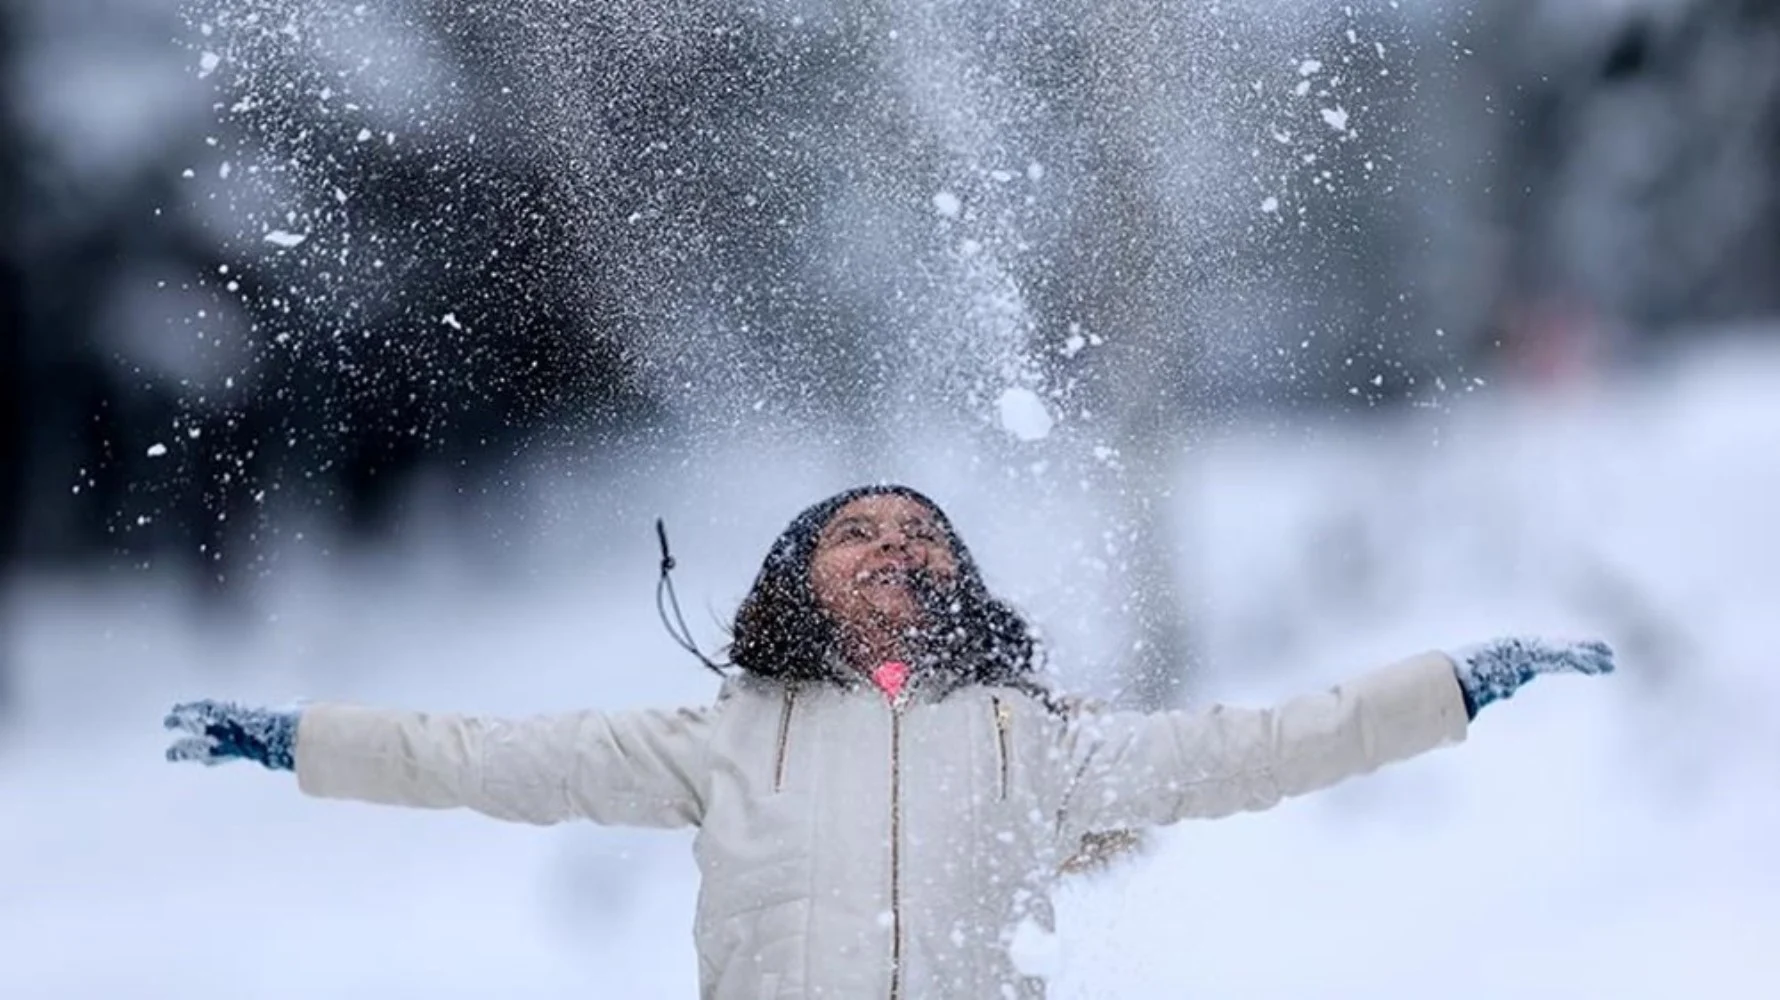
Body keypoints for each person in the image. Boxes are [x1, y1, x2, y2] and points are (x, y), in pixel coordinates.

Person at [164, 484, 1614, 999]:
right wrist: (300, 740)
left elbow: (1265, 745)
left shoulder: (1034, 746)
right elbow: (480, 754)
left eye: (923, 535)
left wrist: (1454, 687)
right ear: (797, 579)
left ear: (961, 583)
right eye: (856, 532)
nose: (894, 547)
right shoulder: (720, 738)